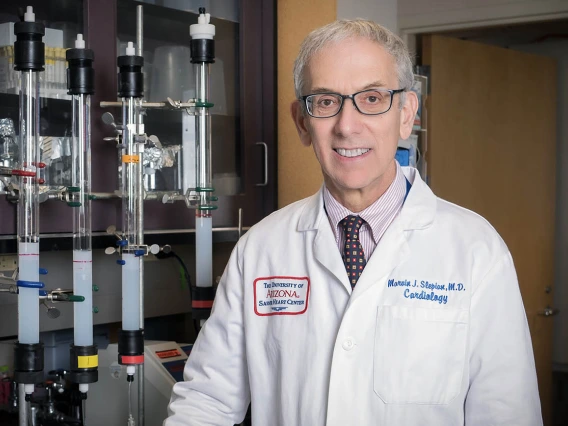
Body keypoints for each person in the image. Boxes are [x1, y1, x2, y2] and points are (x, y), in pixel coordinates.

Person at [165, 19, 542, 426]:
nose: (347, 126)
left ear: (406, 114)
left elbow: (507, 414)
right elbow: (206, 403)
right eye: (326, 102)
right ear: (302, 122)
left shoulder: (476, 251)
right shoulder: (261, 249)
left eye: (373, 97)